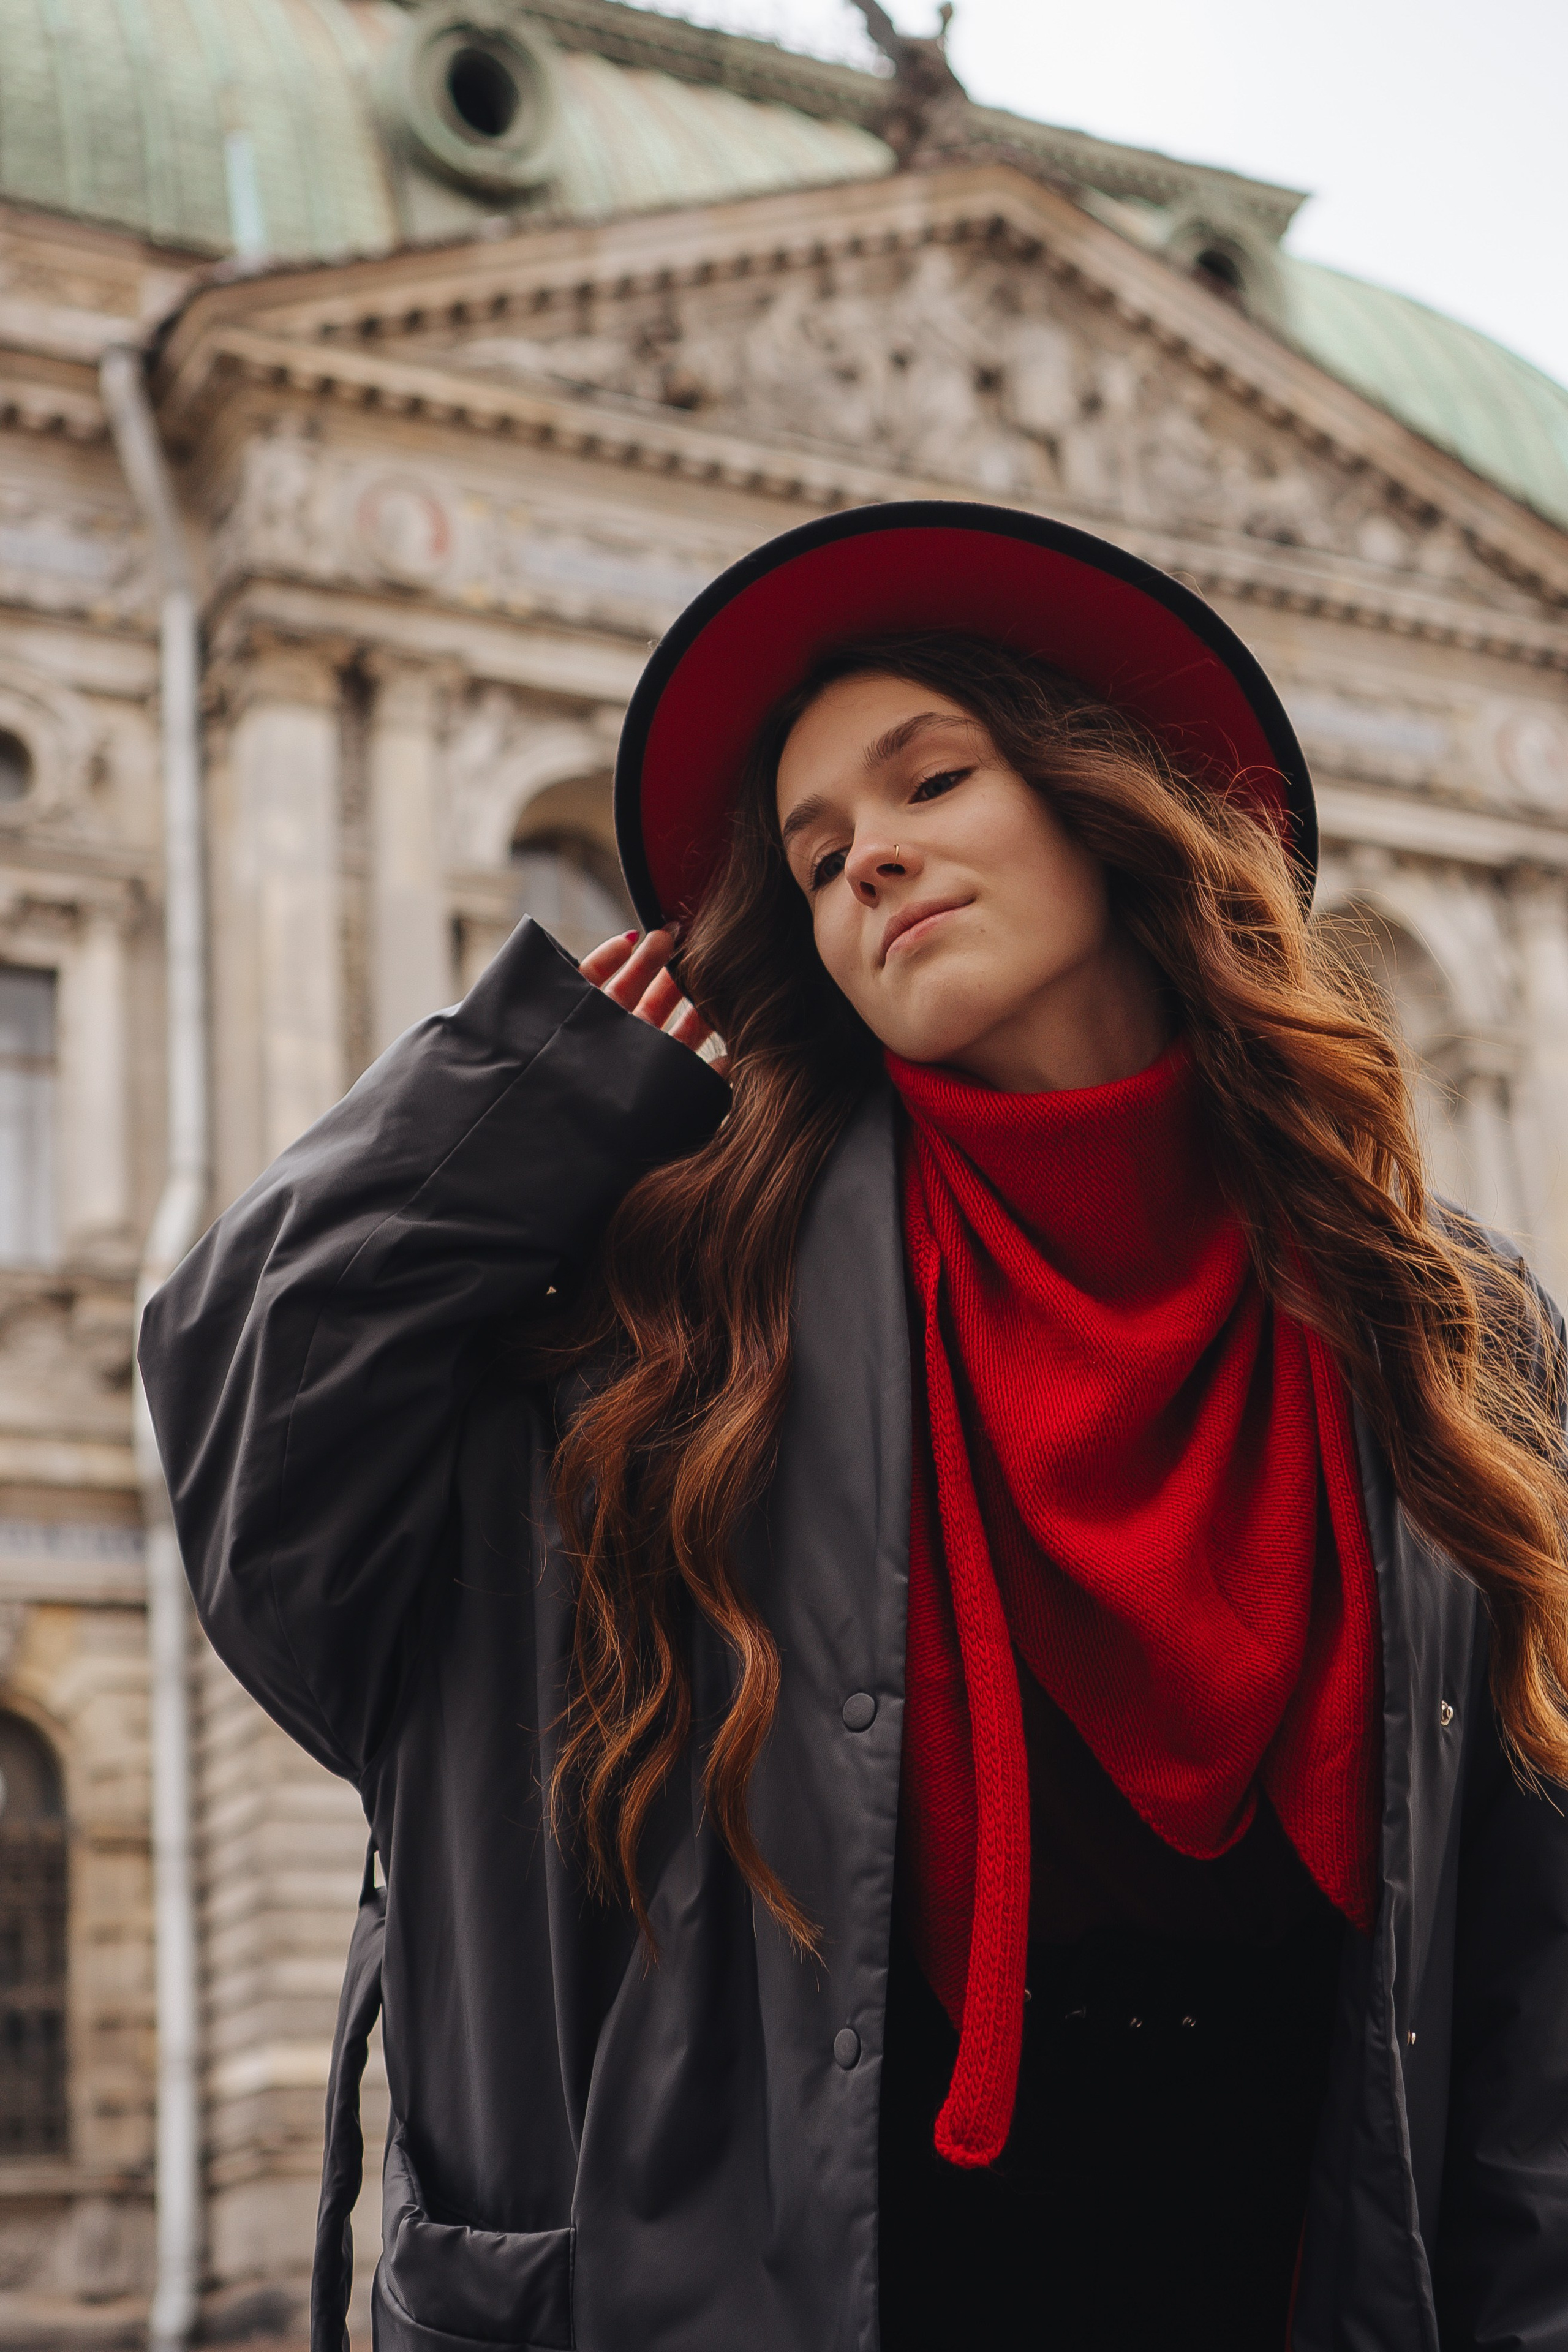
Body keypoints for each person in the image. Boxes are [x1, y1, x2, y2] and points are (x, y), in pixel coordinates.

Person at [138, 503, 1568, 2352]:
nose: (870, 863)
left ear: (1105, 801)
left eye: (933, 782)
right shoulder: (678, 1330)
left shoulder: (1439, 1326)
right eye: (814, 859)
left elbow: (1532, 1976)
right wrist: (529, 1097)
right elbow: (268, 1458)